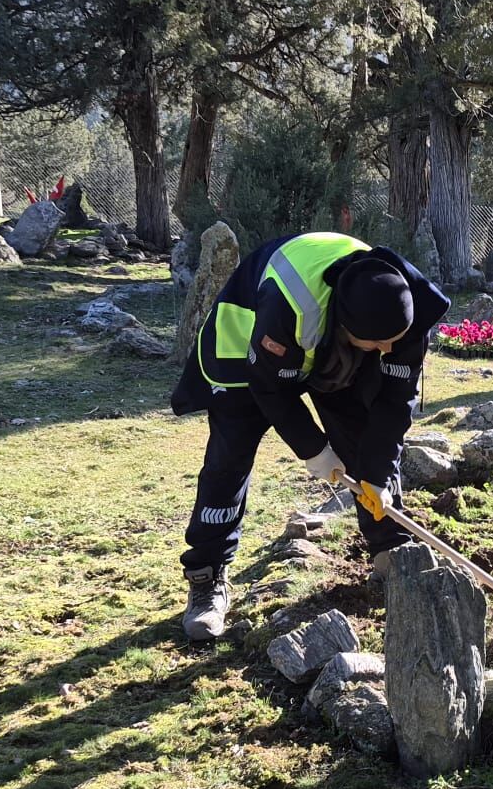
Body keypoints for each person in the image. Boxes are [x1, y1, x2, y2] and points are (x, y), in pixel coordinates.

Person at [169, 231, 450, 641]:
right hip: (249, 347)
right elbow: (270, 388)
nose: (388, 349)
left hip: (327, 343)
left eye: (393, 341)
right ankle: (206, 578)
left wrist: (378, 473)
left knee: (365, 440)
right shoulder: (289, 303)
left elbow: (394, 404)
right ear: (348, 327)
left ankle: (392, 554)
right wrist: (313, 448)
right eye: (378, 343)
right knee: (228, 459)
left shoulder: (402, 312)